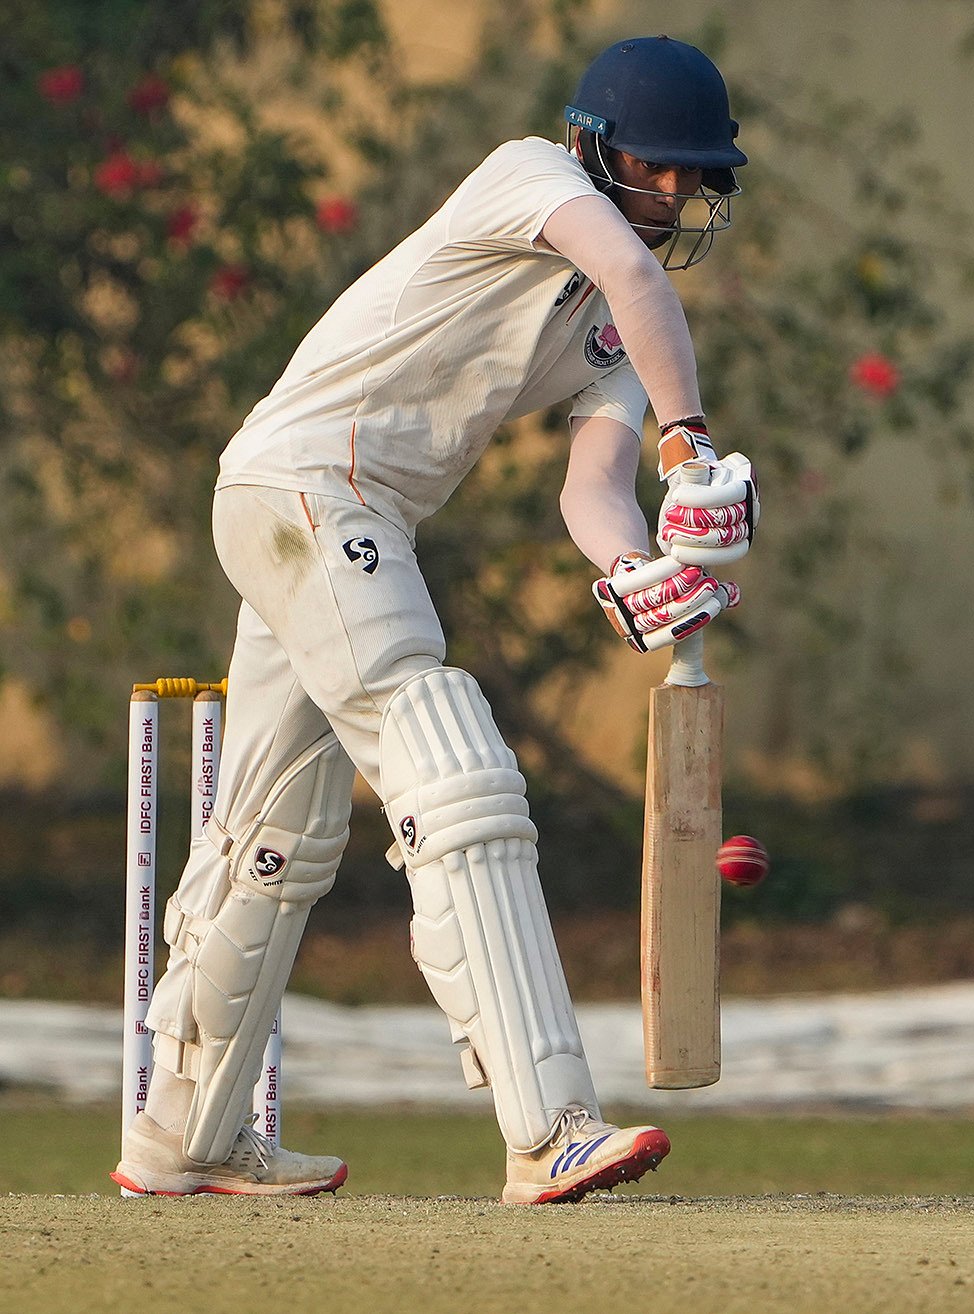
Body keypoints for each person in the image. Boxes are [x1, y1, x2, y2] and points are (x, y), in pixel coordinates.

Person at [112, 33, 756, 1204]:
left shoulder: (611, 335)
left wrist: (648, 574)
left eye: (692, 175)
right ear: (594, 145)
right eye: (654, 167)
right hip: (308, 482)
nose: (672, 193)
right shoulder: (534, 179)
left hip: (337, 515)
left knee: (278, 826)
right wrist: (693, 441)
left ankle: (183, 1138)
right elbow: (633, 276)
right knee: (449, 761)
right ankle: (549, 1126)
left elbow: (591, 491)